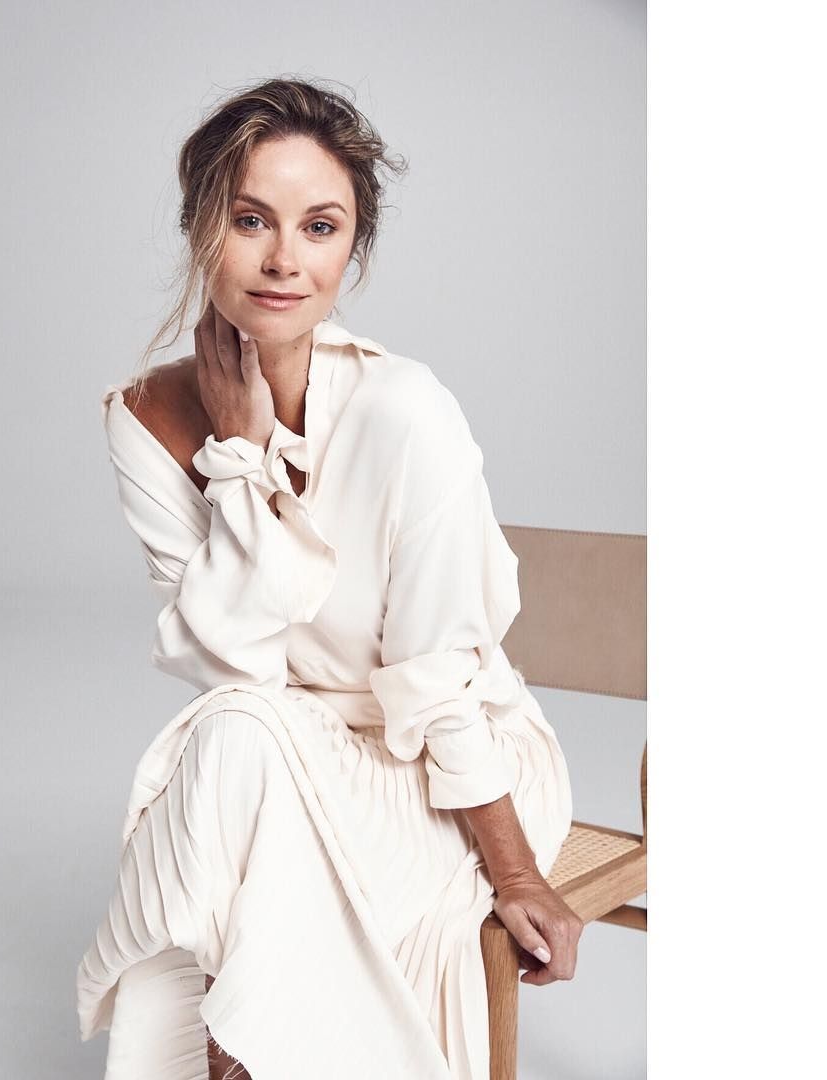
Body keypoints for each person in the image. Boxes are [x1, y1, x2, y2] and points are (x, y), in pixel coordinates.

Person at [76, 76, 582, 1080]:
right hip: (285, 755)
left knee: (238, 764)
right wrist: (240, 454)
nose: (283, 260)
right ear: (199, 229)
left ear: (351, 250)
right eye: (250, 220)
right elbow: (234, 662)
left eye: (319, 227)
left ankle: (234, 1061)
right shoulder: (144, 419)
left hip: (449, 767)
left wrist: (516, 870)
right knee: (234, 728)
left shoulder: (407, 412)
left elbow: (439, 680)